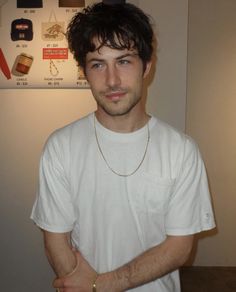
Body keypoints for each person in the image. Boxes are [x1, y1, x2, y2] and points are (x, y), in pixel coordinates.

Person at [31, 2, 215, 292]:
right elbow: (55, 238)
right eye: (98, 64)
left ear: (147, 67)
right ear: (84, 72)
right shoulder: (61, 147)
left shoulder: (181, 151)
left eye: (124, 61)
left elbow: (180, 247)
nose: (112, 80)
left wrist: (101, 285)